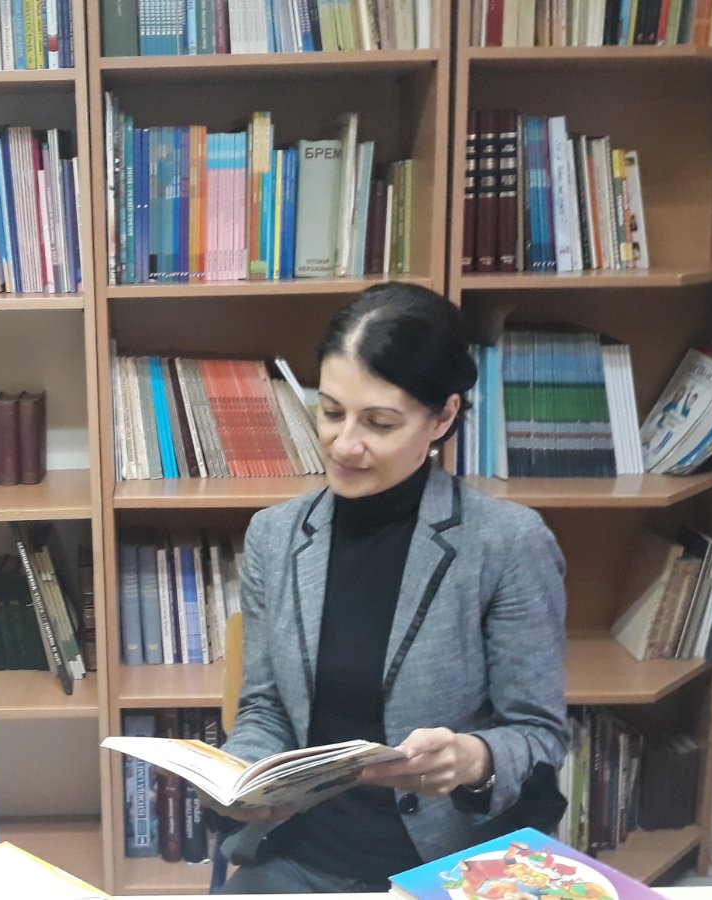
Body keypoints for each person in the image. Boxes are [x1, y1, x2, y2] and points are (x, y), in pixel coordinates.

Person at [212, 284, 569, 893]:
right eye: (330, 412)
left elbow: (538, 735)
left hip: (452, 865)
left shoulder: (507, 543)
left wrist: (474, 760)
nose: (344, 443)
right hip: (301, 857)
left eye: (379, 423)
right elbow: (266, 708)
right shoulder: (275, 536)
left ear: (443, 417)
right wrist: (241, 776)